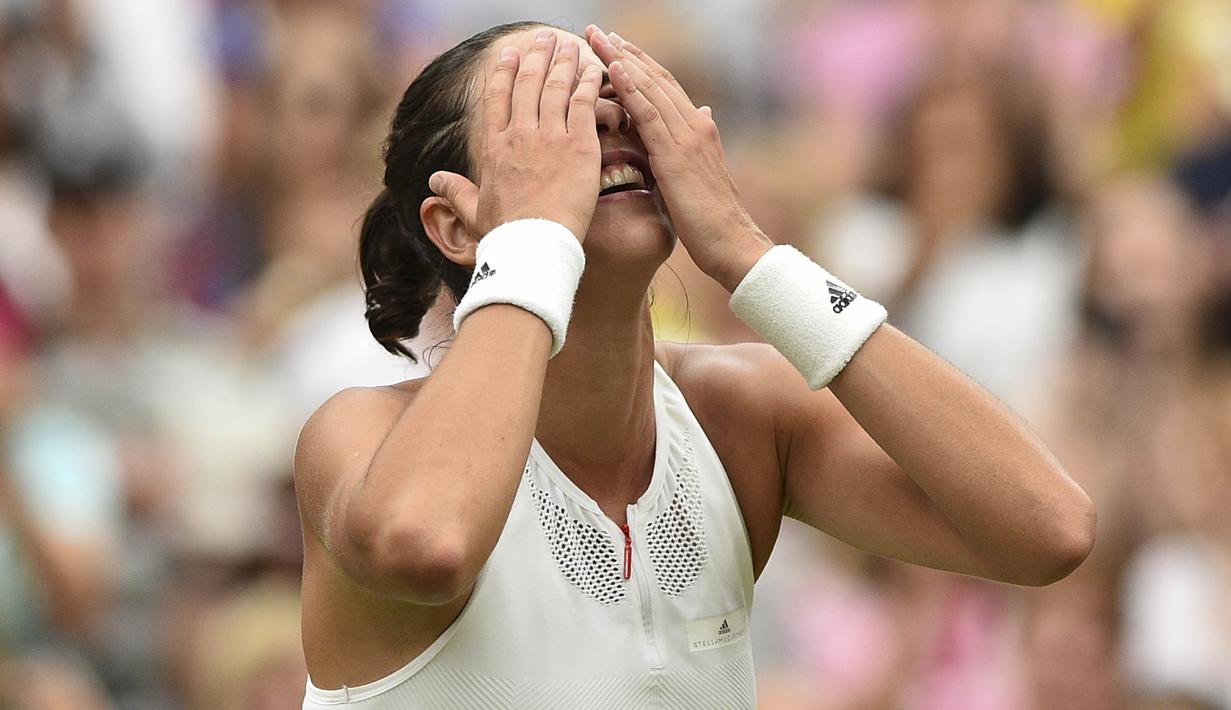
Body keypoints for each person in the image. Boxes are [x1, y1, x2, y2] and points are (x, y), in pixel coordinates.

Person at [294, 22, 1096, 709]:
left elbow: (1045, 529)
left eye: (621, 109)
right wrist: (535, 240)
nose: (604, 131)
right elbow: (428, 541)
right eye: (545, 121)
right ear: (453, 226)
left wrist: (753, 255)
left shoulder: (738, 412)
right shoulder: (359, 430)